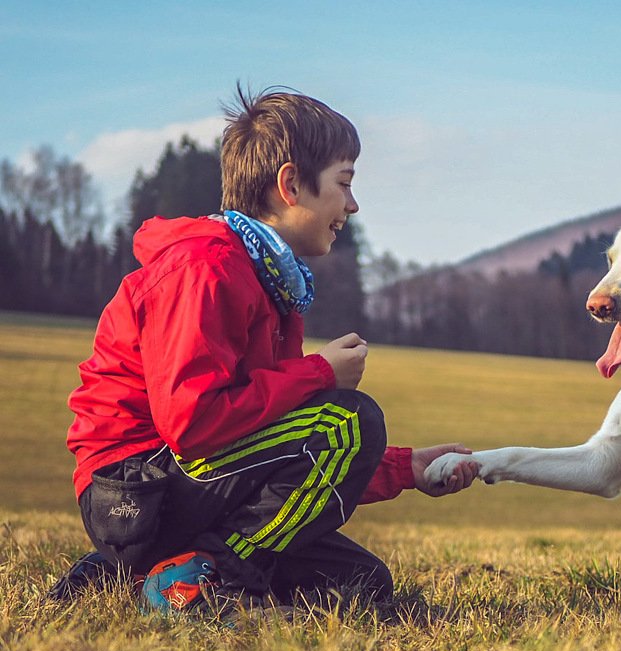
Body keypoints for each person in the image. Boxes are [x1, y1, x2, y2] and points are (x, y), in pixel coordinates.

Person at [52, 85, 478, 616]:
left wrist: (406, 468)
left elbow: (272, 447)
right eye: (344, 184)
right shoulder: (204, 269)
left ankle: (125, 575)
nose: (352, 205)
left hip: (183, 485)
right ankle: (205, 577)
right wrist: (319, 374)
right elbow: (193, 422)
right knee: (349, 421)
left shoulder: (271, 284)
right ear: (291, 184)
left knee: (361, 582)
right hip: (133, 493)